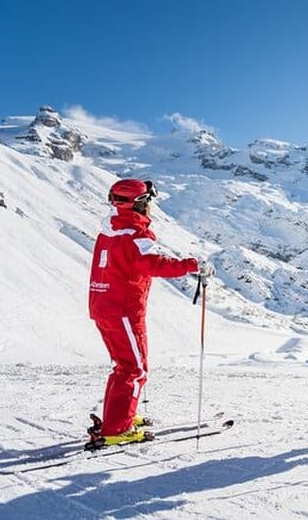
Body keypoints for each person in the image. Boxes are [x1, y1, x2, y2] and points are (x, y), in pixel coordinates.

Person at [87, 179, 213, 447]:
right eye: (149, 202)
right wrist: (193, 265)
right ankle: (116, 430)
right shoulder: (135, 234)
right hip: (123, 309)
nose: (151, 208)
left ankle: (119, 418)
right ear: (140, 204)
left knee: (125, 367)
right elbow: (152, 264)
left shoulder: (110, 230)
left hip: (105, 306)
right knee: (133, 370)